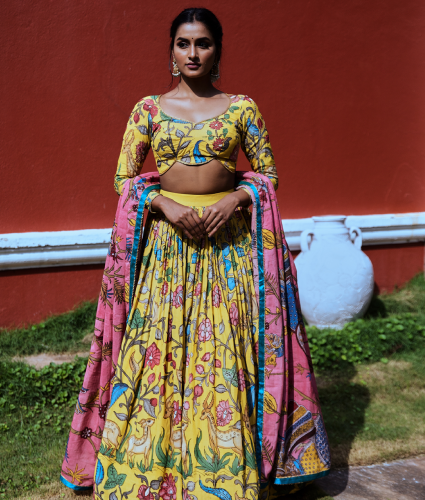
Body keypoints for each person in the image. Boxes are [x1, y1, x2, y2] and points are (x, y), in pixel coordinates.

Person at [60, 8, 330, 500]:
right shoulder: (147, 110)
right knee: (155, 350)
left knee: (226, 352)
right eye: (184, 44)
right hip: (168, 252)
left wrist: (234, 199)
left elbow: (267, 174)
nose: (193, 53)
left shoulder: (242, 108)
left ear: (217, 52)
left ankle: (224, 467)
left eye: (203, 44)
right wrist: (161, 202)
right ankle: (144, 466)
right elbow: (124, 179)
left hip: (227, 249)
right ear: (171, 52)